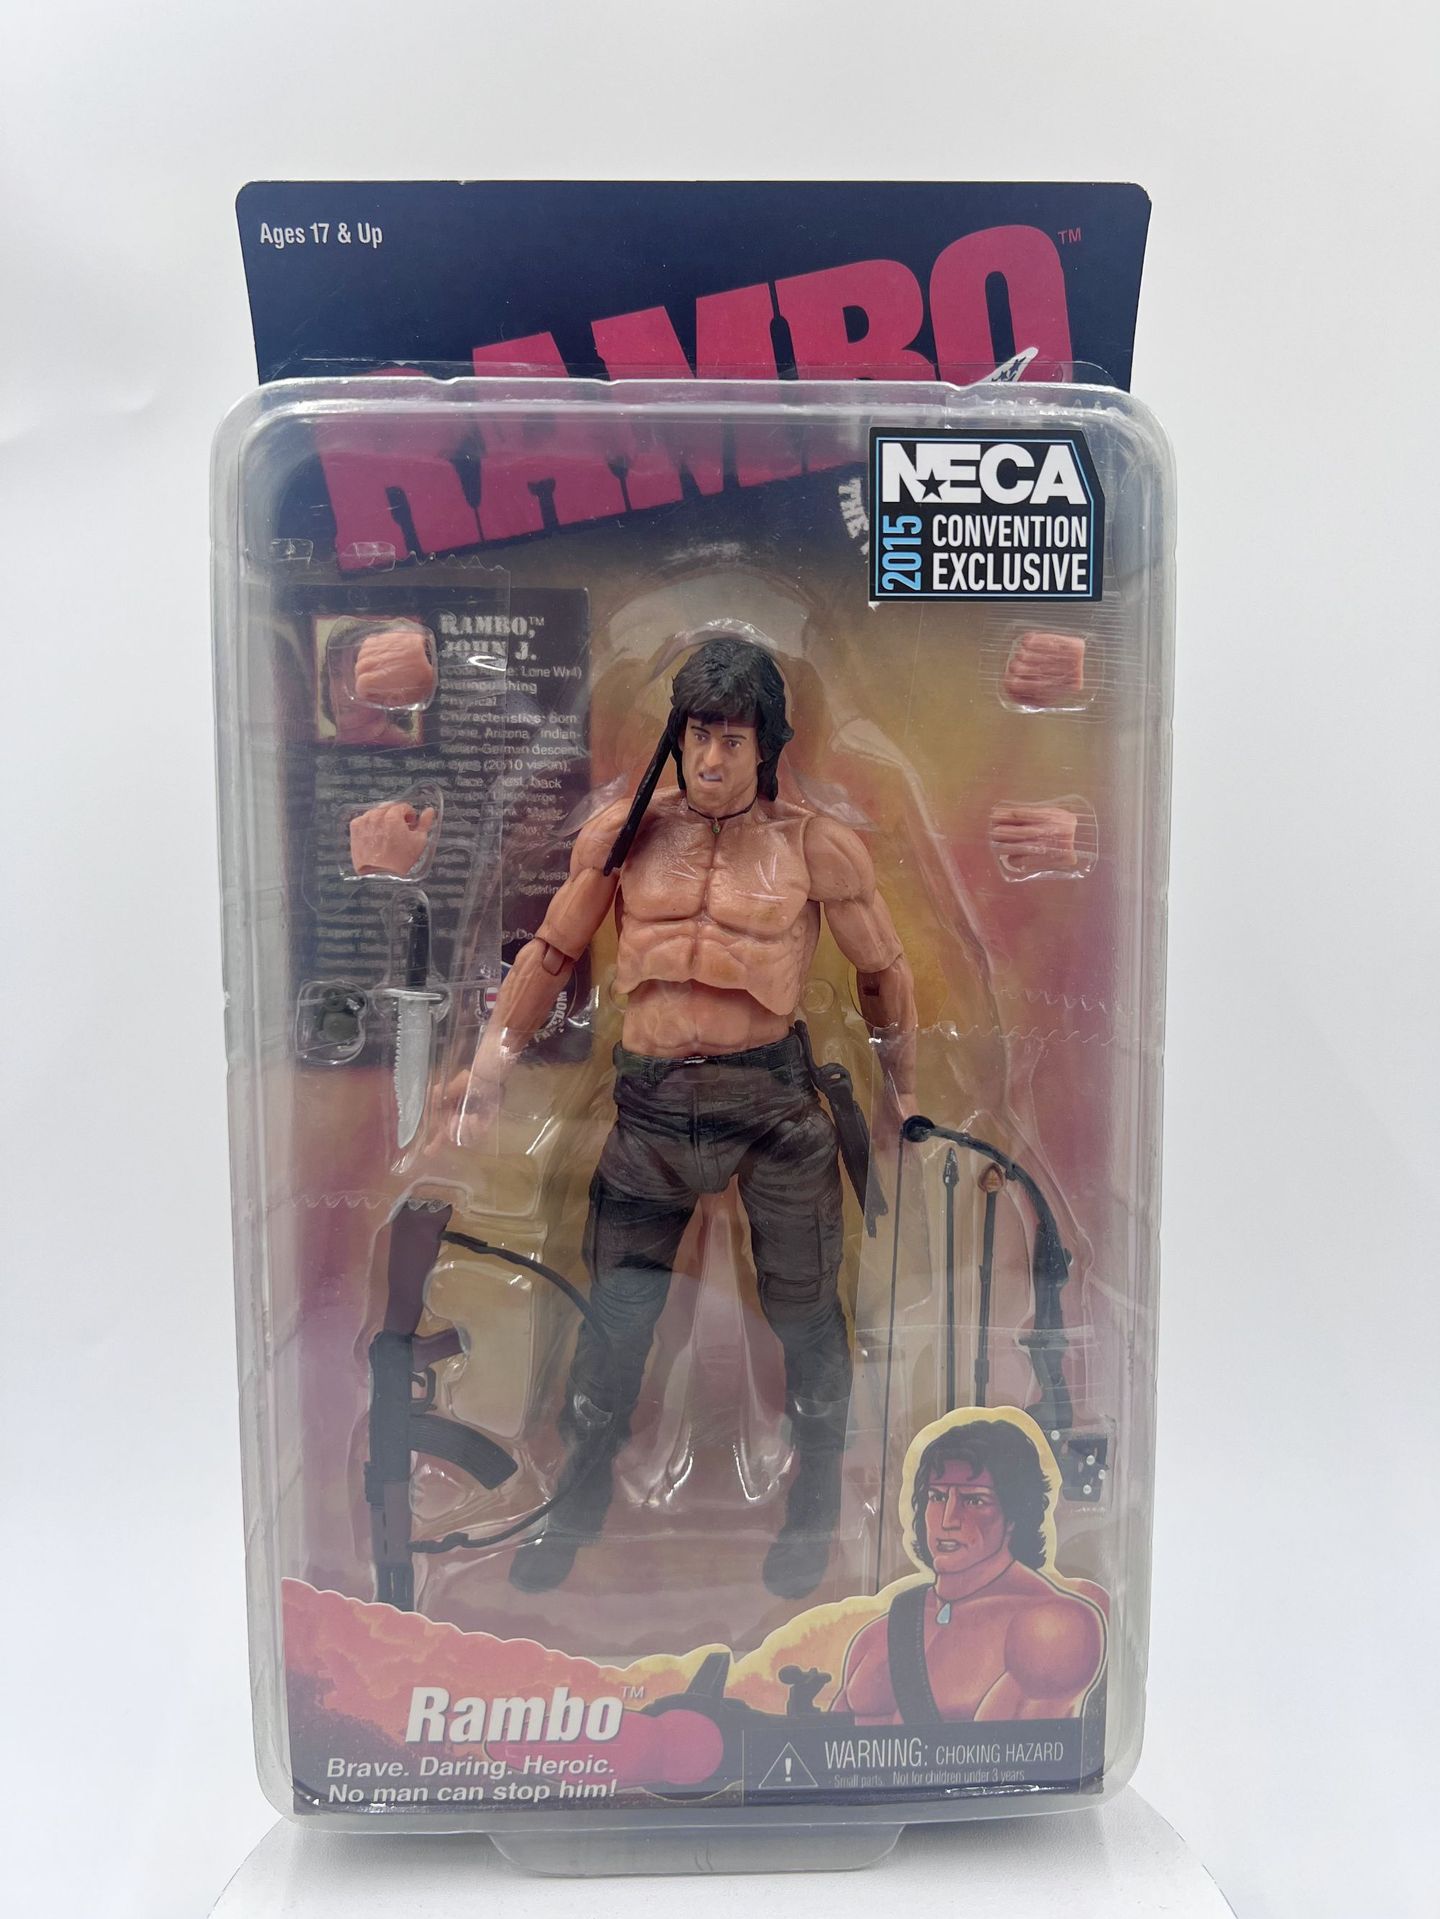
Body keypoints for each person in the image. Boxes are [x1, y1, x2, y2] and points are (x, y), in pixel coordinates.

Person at [432, 633, 918, 1597]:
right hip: (651, 1108)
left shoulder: (815, 845)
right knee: (616, 1320)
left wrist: (899, 1088)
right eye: (698, 735)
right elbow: (551, 952)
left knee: (805, 1311)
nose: (711, 758)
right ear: (677, 734)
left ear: (766, 743)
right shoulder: (623, 837)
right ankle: (579, 1498)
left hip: (771, 1105)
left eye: (732, 739)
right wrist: (488, 1066)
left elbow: (883, 969)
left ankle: (817, 1498)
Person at [833, 1418, 1106, 1722]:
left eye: (974, 1500)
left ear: (1014, 1515)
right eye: (937, 1497)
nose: (948, 1519)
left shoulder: (1049, 1628)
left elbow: (1018, 1749)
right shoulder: (885, 1630)